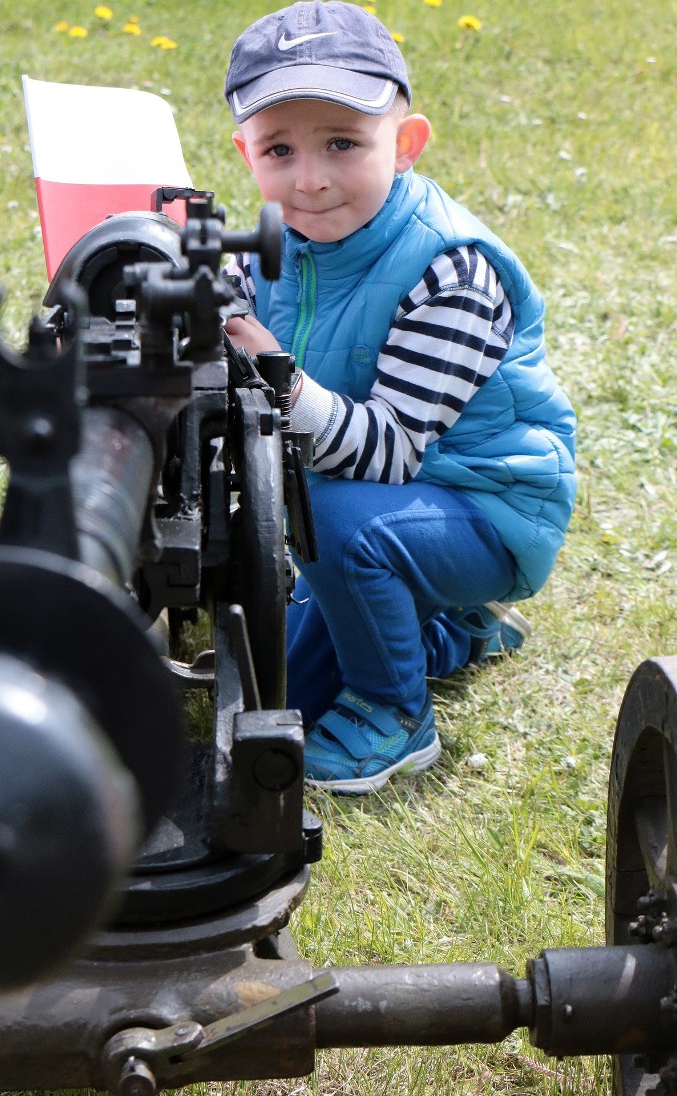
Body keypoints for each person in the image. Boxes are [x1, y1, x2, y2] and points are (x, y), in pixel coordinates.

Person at [222, 0, 577, 794]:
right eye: (280, 149)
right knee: (283, 685)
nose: (309, 178)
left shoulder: (452, 270)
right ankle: (453, 630)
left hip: (483, 506)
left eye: (342, 143)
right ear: (246, 153)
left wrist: (274, 370)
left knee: (336, 522)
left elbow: (386, 452)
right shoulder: (282, 237)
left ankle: (395, 713)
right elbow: (228, 300)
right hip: (377, 492)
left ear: (406, 145)